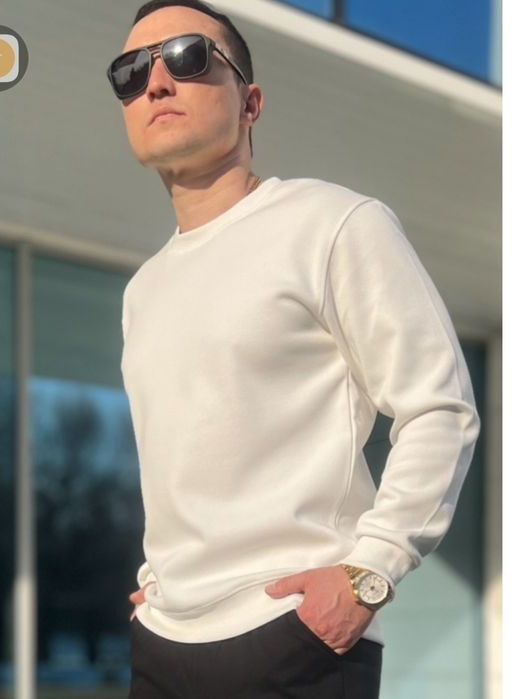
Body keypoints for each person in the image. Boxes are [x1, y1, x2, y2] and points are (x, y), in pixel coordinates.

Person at [106, 1, 481, 697]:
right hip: (162, 641)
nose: (155, 82)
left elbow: (439, 408)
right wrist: (159, 578)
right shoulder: (144, 289)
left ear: (249, 102)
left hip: (293, 633)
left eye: (186, 57)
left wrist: (370, 573)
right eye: (130, 72)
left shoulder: (332, 224)